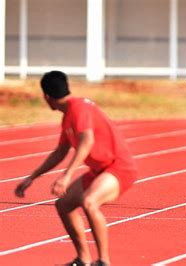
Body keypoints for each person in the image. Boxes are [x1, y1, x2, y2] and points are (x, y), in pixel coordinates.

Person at [15, 71, 138, 266]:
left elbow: (86, 141)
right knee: (63, 205)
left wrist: (66, 175)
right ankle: (83, 260)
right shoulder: (69, 115)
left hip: (118, 167)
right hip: (100, 171)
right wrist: (32, 177)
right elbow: (60, 152)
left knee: (89, 202)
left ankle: (104, 261)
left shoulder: (78, 107)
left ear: (46, 97)